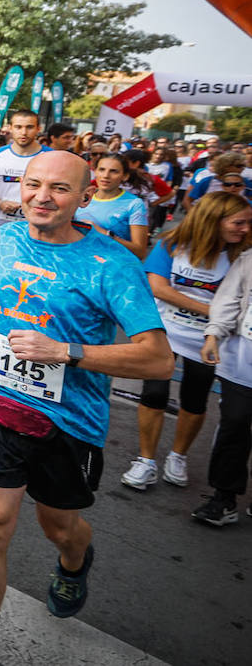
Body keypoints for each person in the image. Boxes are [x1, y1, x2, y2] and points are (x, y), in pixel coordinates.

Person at [0, 150, 171, 666]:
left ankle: (73, 562)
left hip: (69, 420)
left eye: (59, 189)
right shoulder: (7, 236)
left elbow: (158, 360)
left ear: (86, 198)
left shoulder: (112, 264)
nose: (42, 197)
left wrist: (65, 351)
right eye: (34, 184)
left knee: (59, 526)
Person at [119, 192, 251, 491]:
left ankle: (178, 456)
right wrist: (215, 309)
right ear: (212, 221)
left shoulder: (241, 254)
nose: (244, 229)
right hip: (166, 332)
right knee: (153, 393)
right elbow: (158, 287)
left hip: (210, 340)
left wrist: (218, 319)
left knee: (195, 398)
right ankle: (146, 461)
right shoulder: (172, 244)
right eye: (238, 222)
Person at [194, 246, 252, 525]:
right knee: (235, 423)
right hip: (243, 362)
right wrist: (213, 335)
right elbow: (229, 299)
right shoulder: (248, 259)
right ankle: (224, 498)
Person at [0, 109, 48, 230]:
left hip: (37, 228)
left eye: (29, 127)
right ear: (10, 128)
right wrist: (0, 203)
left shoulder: (51, 157)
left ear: (38, 129)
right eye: (18, 127)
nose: (23, 132)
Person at [75, 154, 149, 258]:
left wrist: (106, 234)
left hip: (112, 267)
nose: (106, 175)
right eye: (101, 169)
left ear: (125, 176)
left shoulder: (134, 204)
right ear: (95, 171)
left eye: (114, 171)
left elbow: (140, 252)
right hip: (77, 262)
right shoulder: (81, 197)